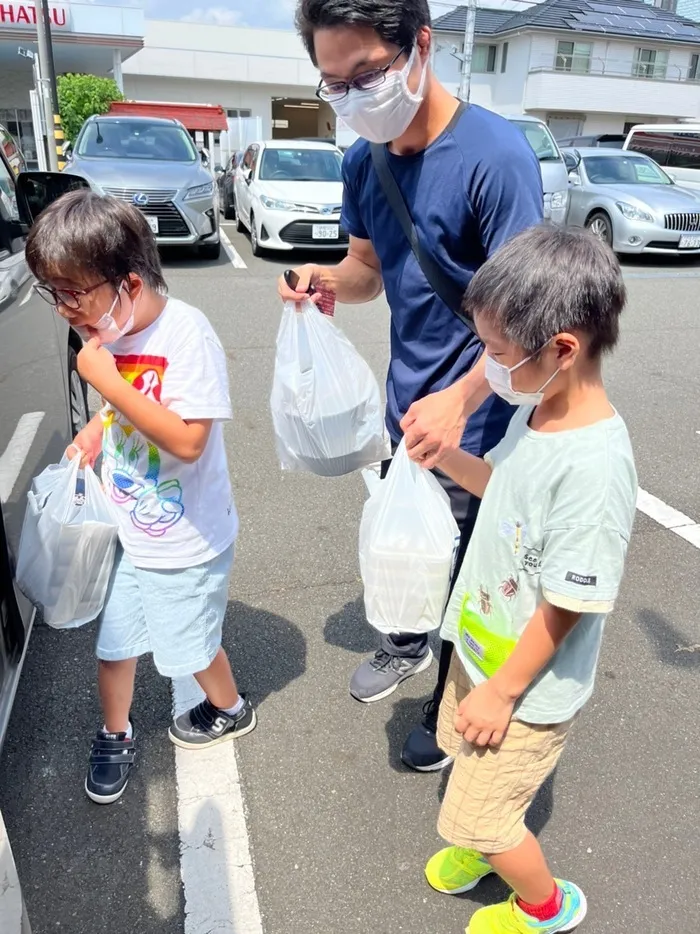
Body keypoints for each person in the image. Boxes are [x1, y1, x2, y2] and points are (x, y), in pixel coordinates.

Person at [279, 0, 544, 771]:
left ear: (421, 45)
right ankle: (410, 641)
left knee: (476, 575)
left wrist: (461, 402)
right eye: (334, 83)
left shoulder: (496, 158)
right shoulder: (364, 161)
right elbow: (369, 271)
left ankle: (457, 704)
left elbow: (527, 321)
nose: (353, 96)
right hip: (413, 406)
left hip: (488, 413)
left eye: (366, 74)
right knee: (418, 547)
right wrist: (323, 281)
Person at [421, 225, 637, 933]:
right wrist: (449, 458)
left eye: (499, 353)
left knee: (480, 811)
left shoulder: (595, 469)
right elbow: (505, 492)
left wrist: (504, 692)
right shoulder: (540, 410)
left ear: (563, 349)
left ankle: (545, 905)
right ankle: (485, 847)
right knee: (464, 752)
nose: (489, 367)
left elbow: (569, 602)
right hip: (486, 652)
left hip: (526, 689)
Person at [26, 191, 255, 805]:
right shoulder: (109, 329)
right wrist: (99, 426)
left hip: (188, 538)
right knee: (115, 647)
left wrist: (105, 384)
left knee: (192, 647)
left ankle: (230, 706)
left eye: (76, 293)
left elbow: (187, 440)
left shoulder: (186, 335)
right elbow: (119, 401)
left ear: (128, 283)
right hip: (130, 529)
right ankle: (115, 731)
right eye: (56, 293)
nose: (67, 309)